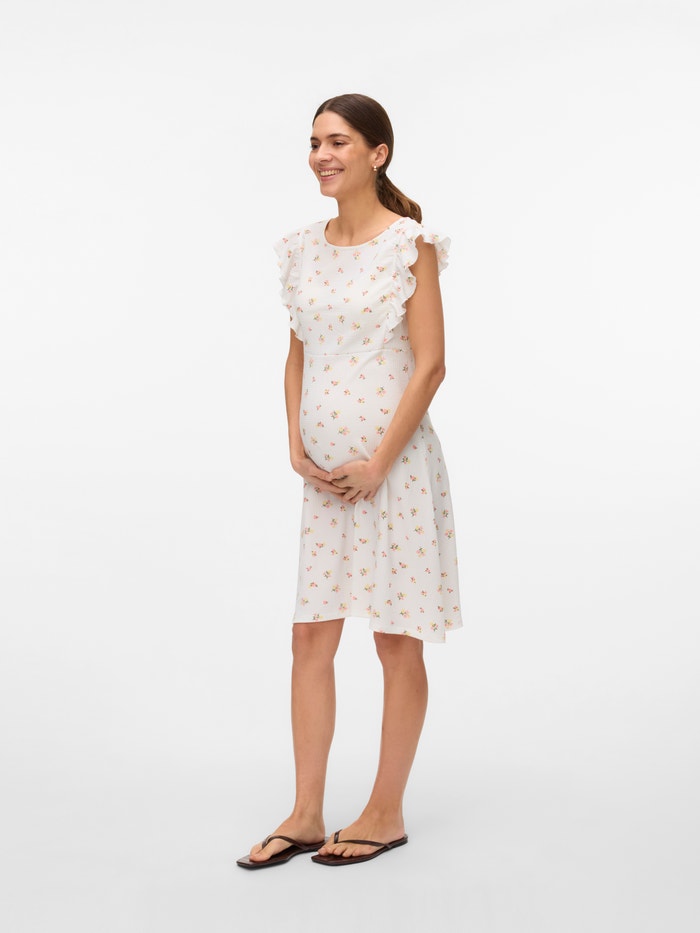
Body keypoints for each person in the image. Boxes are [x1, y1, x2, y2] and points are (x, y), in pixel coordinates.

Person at [237, 93, 462, 869]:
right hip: (327, 482)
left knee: (395, 640)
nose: (321, 155)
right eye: (313, 142)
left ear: (377, 152)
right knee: (310, 636)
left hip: (393, 473)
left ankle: (385, 810)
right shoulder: (301, 248)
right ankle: (305, 812)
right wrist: (295, 441)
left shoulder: (409, 244)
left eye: (337, 141)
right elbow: (297, 350)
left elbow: (431, 364)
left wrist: (378, 462)